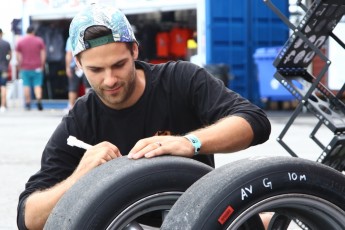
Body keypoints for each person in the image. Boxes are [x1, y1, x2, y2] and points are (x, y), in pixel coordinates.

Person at [17, 4, 271, 229]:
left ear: (134, 51)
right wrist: (80, 176)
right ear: (79, 65)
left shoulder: (180, 80)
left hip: (196, 217)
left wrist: (189, 142)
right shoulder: (80, 119)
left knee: (267, 218)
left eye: (118, 65)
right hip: (122, 223)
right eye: (96, 69)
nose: (109, 80)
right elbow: (28, 218)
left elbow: (254, 121)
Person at [15, 25, 46, 111]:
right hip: (37, 67)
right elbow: (43, 54)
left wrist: (20, 64)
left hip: (25, 67)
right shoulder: (39, 40)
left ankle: (28, 103)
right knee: (37, 85)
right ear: (33, 32)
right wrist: (42, 64)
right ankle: (39, 100)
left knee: (26, 85)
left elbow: (18, 55)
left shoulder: (20, 41)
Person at [65, 36, 91, 111]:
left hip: (75, 66)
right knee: (88, 86)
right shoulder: (87, 36)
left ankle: (71, 106)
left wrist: (67, 67)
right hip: (87, 65)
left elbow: (69, 54)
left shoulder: (71, 39)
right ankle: (89, 106)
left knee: (72, 87)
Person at [0, 28, 12, 112]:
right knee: (3, 87)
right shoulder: (6, 43)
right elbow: (10, 55)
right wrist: (7, 62)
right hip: (4, 68)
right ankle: (3, 106)